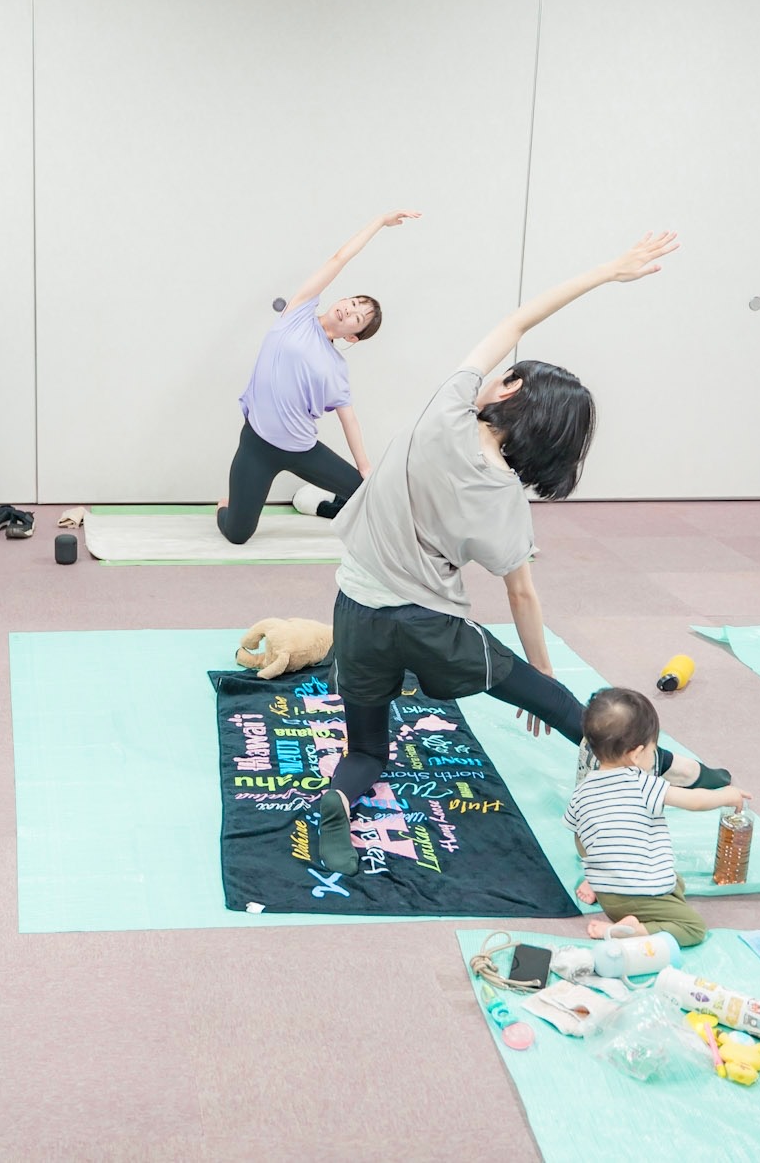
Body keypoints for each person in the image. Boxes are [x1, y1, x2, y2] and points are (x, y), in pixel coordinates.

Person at [308, 230, 731, 876]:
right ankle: (678, 769)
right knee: (565, 707)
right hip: (428, 630)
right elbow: (521, 593)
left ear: (504, 391)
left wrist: (607, 271)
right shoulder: (505, 498)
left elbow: (519, 317)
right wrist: (543, 679)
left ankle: (339, 798)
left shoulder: (442, 409)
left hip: (354, 612)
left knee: (367, 750)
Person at [216, 210, 418, 545]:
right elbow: (340, 258)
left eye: (356, 318)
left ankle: (323, 504)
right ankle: (229, 507)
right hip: (257, 445)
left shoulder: (336, 367)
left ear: (353, 337)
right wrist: (379, 223)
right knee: (237, 533)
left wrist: (365, 468)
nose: (349, 310)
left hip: (300, 448)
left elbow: (349, 419)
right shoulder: (298, 313)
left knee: (369, 496)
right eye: (353, 302)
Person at [564, 688, 749, 944]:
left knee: (677, 883)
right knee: (694, 928)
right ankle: (636, 929)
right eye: (653, 749)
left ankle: (619, 909)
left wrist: (597, 875)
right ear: (636, 754)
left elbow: (580, 840)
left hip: (609, 896)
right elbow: (694, 801)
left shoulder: (581, 792)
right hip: (642, 893)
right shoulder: (643, 783)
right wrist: (726, 796)